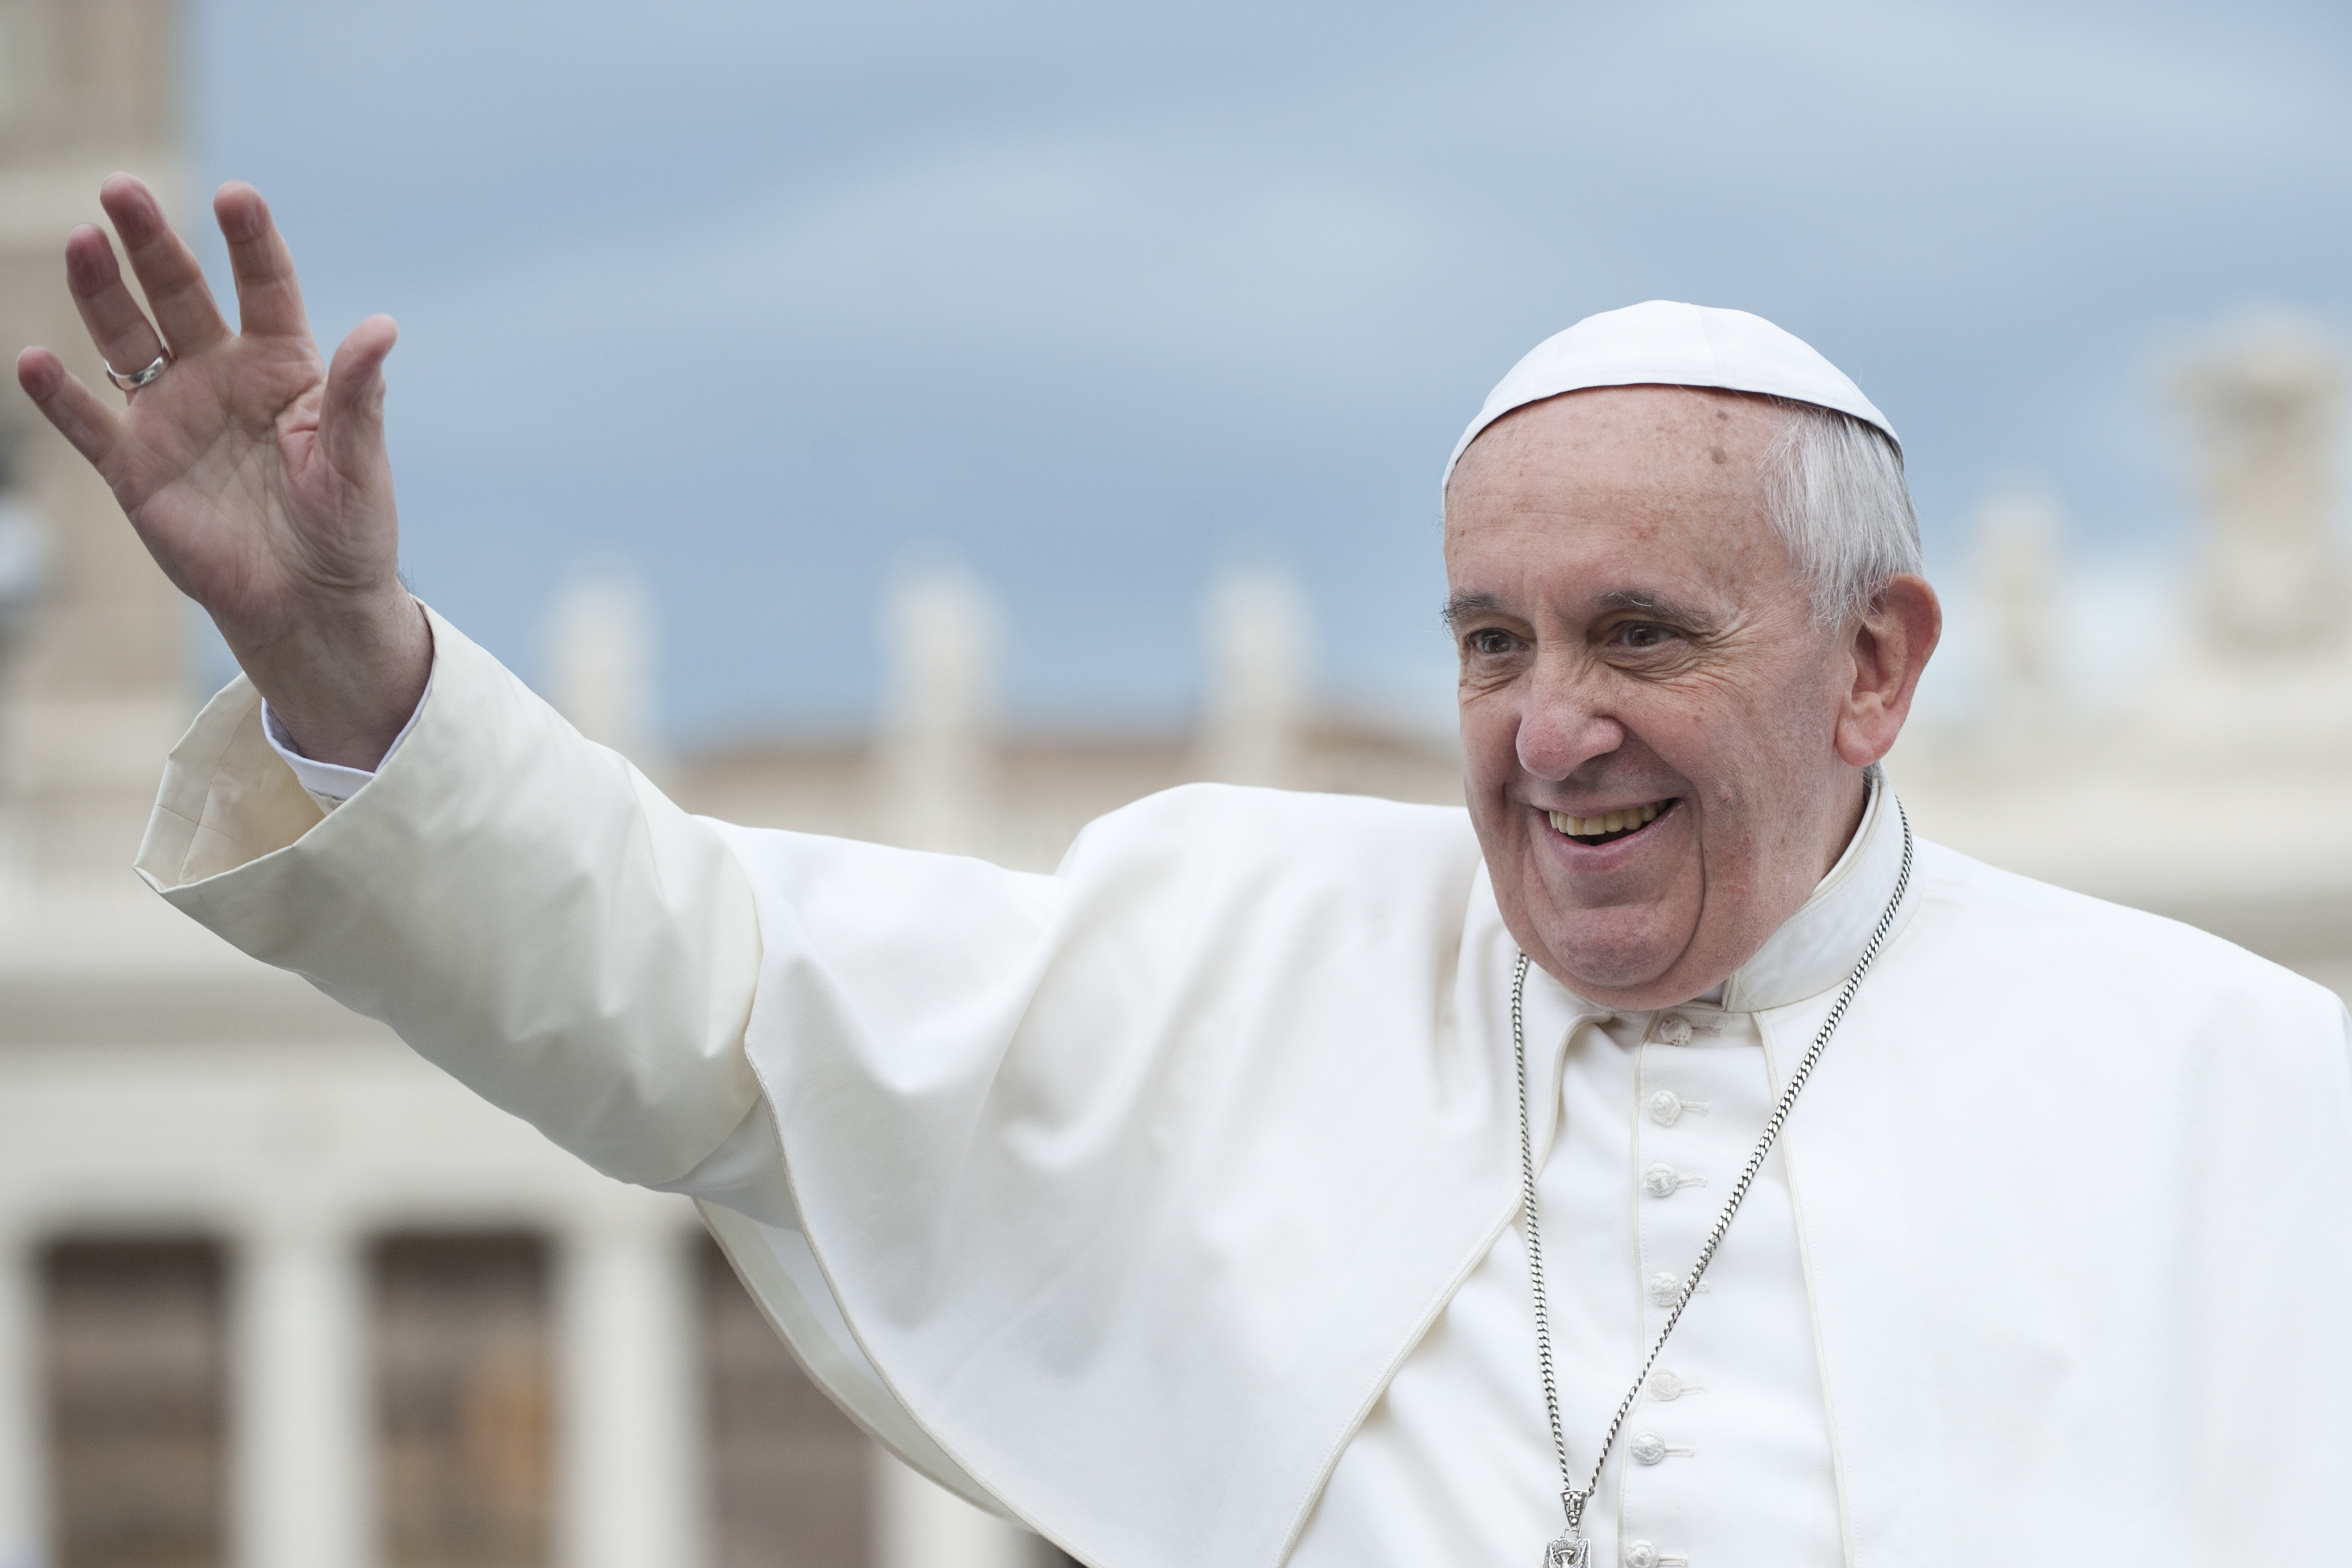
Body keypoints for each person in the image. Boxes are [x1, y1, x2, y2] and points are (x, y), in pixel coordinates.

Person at [20, 175, 2352, 1568]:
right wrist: (341, 660)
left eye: (1638, 633)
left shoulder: (2239, 1097)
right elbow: (705, 995)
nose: (1548, 729)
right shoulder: (1242, 951)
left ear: (1875, 665)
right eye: (1485, 640)